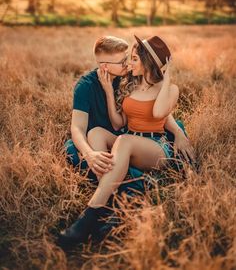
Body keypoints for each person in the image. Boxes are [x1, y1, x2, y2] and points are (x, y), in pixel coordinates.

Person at [59, 35, 195, 247]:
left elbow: (159, 112)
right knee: (95, 133)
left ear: (147, 62)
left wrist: (178, 132)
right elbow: (113, 123)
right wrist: (108, 93)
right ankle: (119, 196)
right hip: (124, 140)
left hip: (152, 145)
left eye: (131, 59)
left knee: (124, 140)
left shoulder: (164, 88)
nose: (128, 65)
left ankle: (92, 213)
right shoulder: (124, 84)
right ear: (105, 66)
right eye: (124, 61)